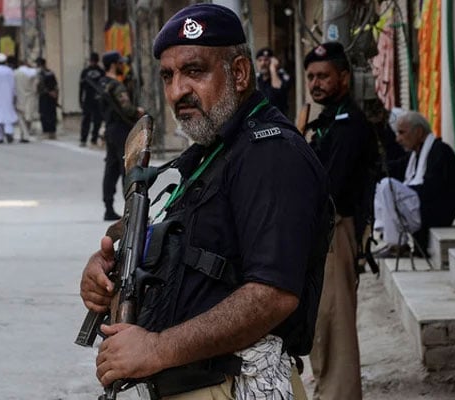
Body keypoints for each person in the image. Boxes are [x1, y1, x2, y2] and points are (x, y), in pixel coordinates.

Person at [80, 4, 330, 398]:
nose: (178, 90)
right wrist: (105, 265)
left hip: (233, 386)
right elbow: (167, 226)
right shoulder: (211, 151)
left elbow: (272, 295)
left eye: (195, 71)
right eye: (169, 75)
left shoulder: (270, 154)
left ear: (240, 73)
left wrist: (156, 348)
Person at [304, 42, 378, 400]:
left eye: (324, 76)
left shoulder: (349, 125)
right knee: (322, 322)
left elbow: (328, 186)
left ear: (344, 78)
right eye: (311, 77)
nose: (316, 83)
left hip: (337, 230)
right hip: (324, 232)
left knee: (335, 324)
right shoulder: (327, 120)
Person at [374, 110, 455, 257]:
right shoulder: (414, 155)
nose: (398, 139)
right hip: (421, 208)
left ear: (419, 132)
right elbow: (393, 168)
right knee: (381, 185)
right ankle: (392, 241)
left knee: (388, 186)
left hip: (437, 212)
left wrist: (404, 191)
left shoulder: (440, 152)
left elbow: (432, 190)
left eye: (402, 133)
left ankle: (398, 246)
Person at [98, 50, 144, 221]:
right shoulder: (116, 86)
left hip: (110, 129)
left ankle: (108, 207)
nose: (122, 66)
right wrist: (137, 112)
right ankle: (131, 209)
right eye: (120, 63)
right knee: (128, 167)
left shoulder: (102, 83)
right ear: (113, 65)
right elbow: (127, 108)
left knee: (110, 168)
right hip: (121, 130)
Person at [255, 47, 292, 117]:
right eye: (260, 60)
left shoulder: (282, 76)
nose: (263, 63)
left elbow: (278, 90)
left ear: (272, 61)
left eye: (266, 60)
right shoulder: (256, 79)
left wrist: (273, 69)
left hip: (279, 120)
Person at [79, 52, 105, 147]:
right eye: (91, 61)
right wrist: (80, 99)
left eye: (94, 61)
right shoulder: (85, 72)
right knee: (86, 120)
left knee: (97, 120)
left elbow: (103, 87)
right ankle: (83, 139)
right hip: (88, 99)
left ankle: (94, 139)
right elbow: (81, 87)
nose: (93, 63)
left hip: (97, 99)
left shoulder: (101, 72)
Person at [14, 59, 39, 141]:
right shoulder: (33, 73)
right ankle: (25, 133)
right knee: (28, 117)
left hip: (20, 97)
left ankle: (24, 134)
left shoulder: (16, 73)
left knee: (21, 117)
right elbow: (36, 85)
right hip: (31, 97)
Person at [36, 57, 58, 139]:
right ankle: (52, 132)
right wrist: (55, 95)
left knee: (44, 114)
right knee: (52, 114)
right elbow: (56, 86)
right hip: (52, 96)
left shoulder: (40, 74)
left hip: (44, 96)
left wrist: (49, 92)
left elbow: (40, 86)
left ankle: (46, 131)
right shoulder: (51, 72)